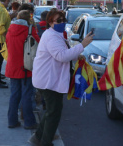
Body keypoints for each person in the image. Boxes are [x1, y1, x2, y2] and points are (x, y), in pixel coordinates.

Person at [28, 8, 94, 146]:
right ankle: (45, 142)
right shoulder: (51, 36)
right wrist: (82, 45)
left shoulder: (56, 34)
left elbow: (63, 52)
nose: (62, 22)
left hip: (50, 79)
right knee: (54, 113)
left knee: (52, 111)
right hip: (48, 81)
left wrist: (76, 55)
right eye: (59, 20)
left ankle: (38, 137)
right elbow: (62, 56)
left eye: (63, 20)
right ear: (50, 22)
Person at [5, 10, 40, 130]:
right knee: (26, 95)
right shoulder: (30, 31)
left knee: (14, 95)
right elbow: (38, 46)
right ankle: (29, 122)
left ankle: (12, 120)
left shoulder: (9, 30)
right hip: (26, 67)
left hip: (12, 66)